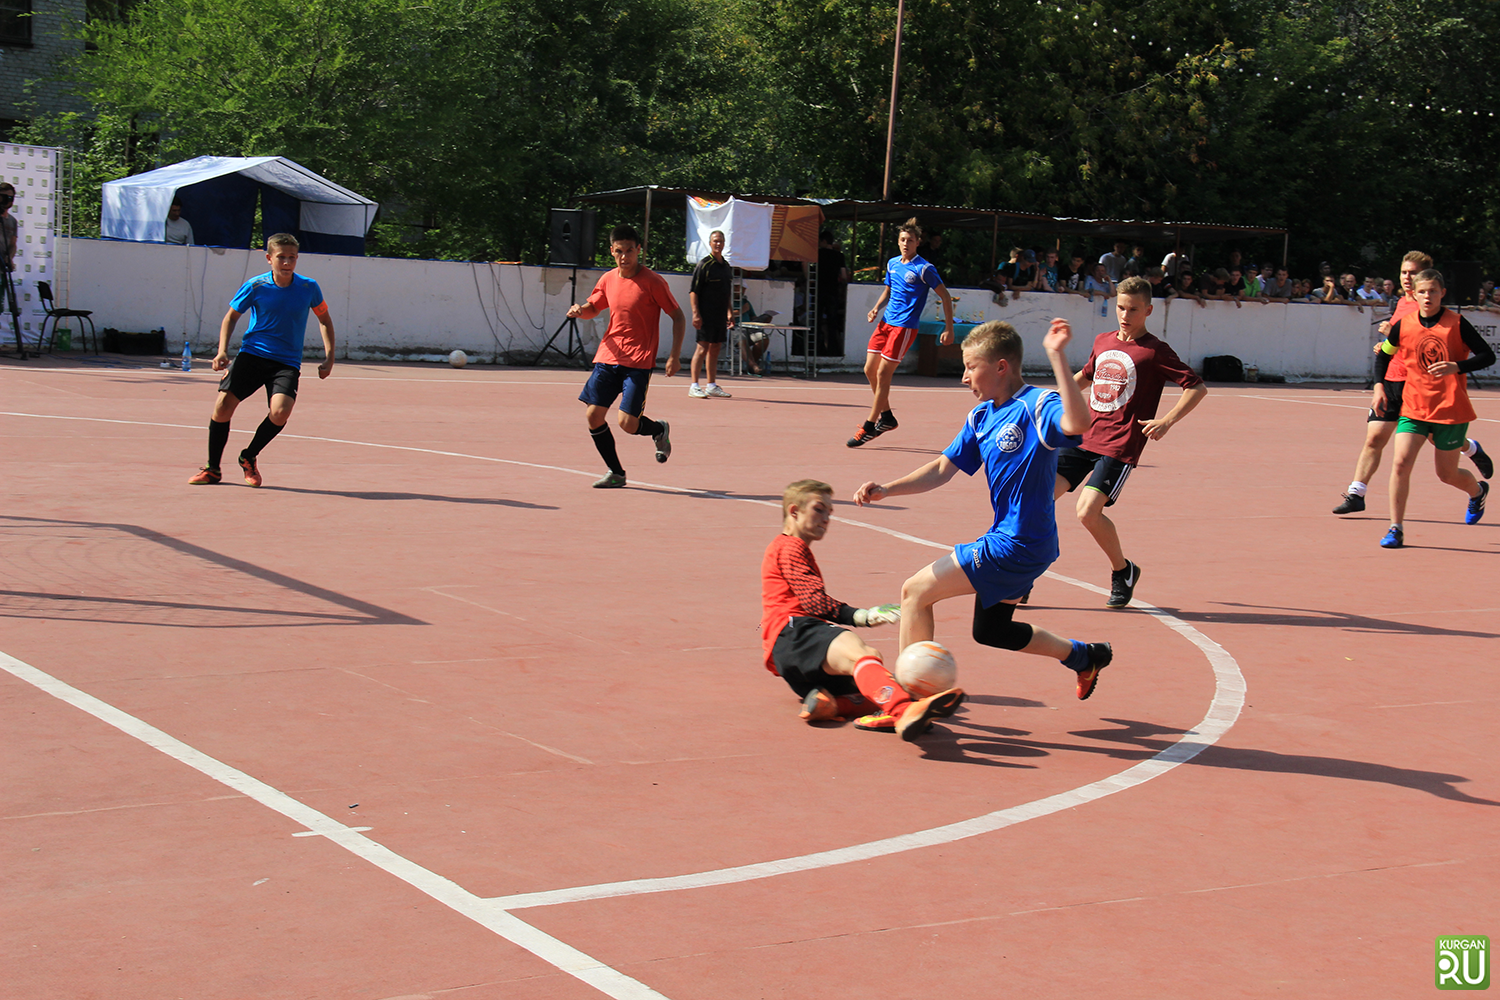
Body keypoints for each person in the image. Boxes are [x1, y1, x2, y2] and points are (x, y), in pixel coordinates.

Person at [853, 320, 1114, 702]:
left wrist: (1057, 355)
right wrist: (888, 489)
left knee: (914, 593)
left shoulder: (1037, 405)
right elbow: (942, 469)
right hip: (1023, 542)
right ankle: (1086, 656)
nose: (963, 378)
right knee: (991, 631)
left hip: (1016, 543)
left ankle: (905, 701)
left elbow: (1079, 423)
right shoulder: (981, 417)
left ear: (1001, 366)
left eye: (970, 367)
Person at [760, 479, 965, 741]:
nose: (826, 519)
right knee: (863, 654)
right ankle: (903, 712)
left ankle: (831, 705)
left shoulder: (785, 549)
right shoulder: (789, 547)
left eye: (829, 513)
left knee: (878, 684)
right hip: (795, 631)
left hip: (787, 658)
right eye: (819, 509)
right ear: (794, 511)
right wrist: (863, 616)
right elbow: (814, 602)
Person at [1053, 276, 1207, 607]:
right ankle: (1023, 572)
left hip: (1119, 444)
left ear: (1148, 310)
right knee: (1038, 498)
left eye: (1133, 309)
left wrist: (1167, 420)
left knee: (1087, 512)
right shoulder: (1103, 340)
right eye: (1121, 307)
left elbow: (1196, 387)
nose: (1125, 315)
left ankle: (1122, 571)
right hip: (1083, 436)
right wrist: (1052, 400)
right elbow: (1086, 376)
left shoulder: (1154, 352)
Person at [1333, 251, 1491, 514]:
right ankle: (1357, 494)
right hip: (1392, 381)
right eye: (1404, 272)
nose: (1407, 278)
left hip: (1418, 387)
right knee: (1375, 438)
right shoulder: (1402, 304)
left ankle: (1469, 447)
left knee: (1435, 443)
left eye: (1413, 273)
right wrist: (1383, 357)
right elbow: (1395, 344)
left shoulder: (1436, 311)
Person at [187, 233, 335, 487]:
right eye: (281, 257)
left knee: (280, 412)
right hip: (253, 355)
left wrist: (329, 358)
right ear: (269, 258)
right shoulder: (256, 286)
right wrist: (222, 351)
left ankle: (249, 456)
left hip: (286, 362)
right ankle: (213, 469)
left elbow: (324, 320)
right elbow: (231, 317)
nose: (287, 263)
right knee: (223, 407)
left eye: (292, 258)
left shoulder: (309, 287)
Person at [1374, 268, 1496, 547]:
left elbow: (1487, 356)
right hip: (1414, 407)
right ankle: (1396, 528)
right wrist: (1379, 386)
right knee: (1401, 463)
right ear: (1414, 294)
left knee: (1447, 474)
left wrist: (1457, 366)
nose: (1427, 296)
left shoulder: (1457, 323)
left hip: (1450, 409)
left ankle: (1477, 492)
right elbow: (1384, 355)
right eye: (1422, 291)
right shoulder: (1403, 325)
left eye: (1433, 291)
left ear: (1442, 293)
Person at [567, 225, 685, 489]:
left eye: (630, 251)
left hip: (638, 362)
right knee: (593, 416)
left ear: (638, 250)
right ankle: (616, 472)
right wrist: (579, 310)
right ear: (611, 251)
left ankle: (658, 430)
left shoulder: (653, 282)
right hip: (608, 356)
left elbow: (677, 316)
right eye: (619, 251)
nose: (625, 257)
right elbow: (593, 307)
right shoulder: (608, 279)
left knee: (627, 424)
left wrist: (674, 356)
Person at [849, 218, 954, 448]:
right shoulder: (893, 263)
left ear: (918, 242)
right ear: (898, 242)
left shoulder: (924, 268)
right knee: (869, 369)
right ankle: (887, 417)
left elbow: (945, 296)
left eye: (910, 240)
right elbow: (889, 289)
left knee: (883, 375)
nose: (906, 243)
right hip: (885, 323)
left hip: (904, 326)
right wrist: (876, 307)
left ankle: (869, 426)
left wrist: (949, 327)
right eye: (902, 240)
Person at [687, 229, 734, 399]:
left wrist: (729, 313)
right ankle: (694, 385)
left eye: (721, 241)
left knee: (715, 348)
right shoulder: (704, 265)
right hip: (705, 314)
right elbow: (694, 291)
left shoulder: (726, 266)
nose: (718, 244)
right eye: (715, 241)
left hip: (720, 315)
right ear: (710, 243)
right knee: (702, 347)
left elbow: (726, 293)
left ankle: (712, 385)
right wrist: (696, 314)